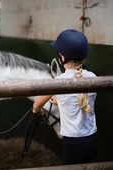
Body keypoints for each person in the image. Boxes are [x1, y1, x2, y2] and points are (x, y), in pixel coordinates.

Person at [33, 29, 98, 165]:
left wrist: (38, 111)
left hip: (73, 144)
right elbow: (79, 99)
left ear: (62, 57)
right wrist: (58, 101)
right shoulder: (93, 78)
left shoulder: (59, 82)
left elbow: (36, 105)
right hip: (92, 140)